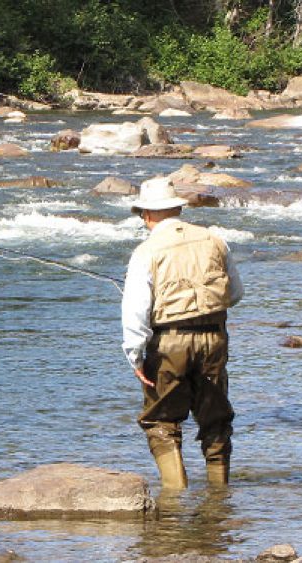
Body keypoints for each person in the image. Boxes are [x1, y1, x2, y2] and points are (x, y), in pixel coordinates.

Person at [121, 176, 244, 489]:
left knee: (161, 421)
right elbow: (236, 293)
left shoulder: (146, 251)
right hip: (214, 338)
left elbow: (136, 312)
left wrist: (135, 356)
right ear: (177, 208)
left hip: (169, 342)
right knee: (215, 420)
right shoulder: (215, 240)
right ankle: (219, 496)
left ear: (147, 214)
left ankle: (175, 498)